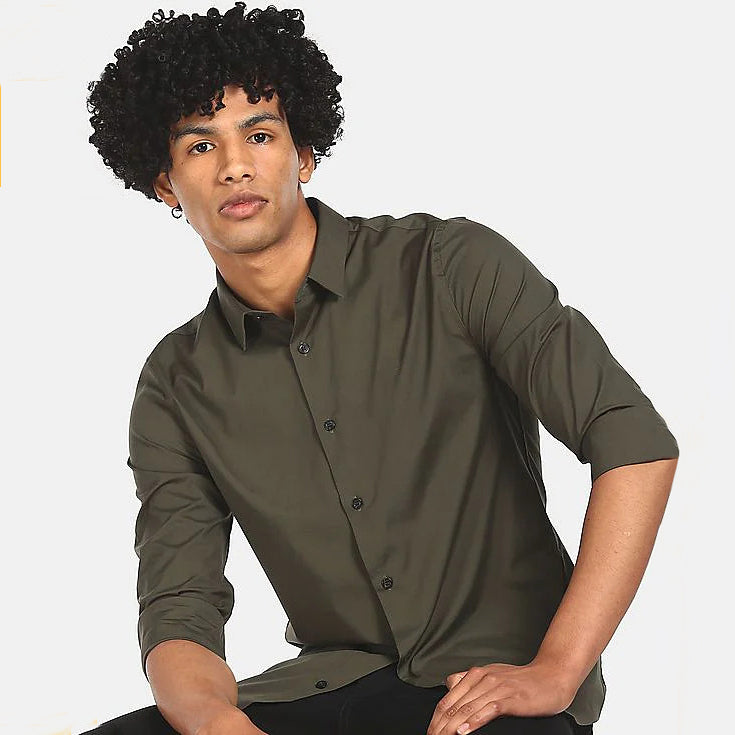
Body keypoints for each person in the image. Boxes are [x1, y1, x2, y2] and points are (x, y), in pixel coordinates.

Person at [83, 4, 679, 735]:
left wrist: (556, 670)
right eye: (200, 146)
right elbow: (179, 607)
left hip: (485, 689)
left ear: (303, 155)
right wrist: (217, 724)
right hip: (327, 686)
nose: (235, 164)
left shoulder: (449, 266)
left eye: (260, 134)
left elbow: (632, 441)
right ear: (166, 184)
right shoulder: (177, 383)